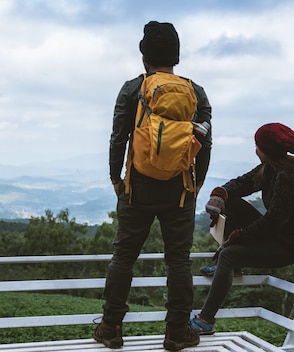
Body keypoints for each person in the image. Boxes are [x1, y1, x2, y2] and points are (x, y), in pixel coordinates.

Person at [94, 21, 212, 351]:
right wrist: (197, 185)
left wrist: (116, 178)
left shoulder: (133, 89)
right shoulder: (195, 91)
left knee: (124, 257)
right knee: (178, 261)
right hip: (180, 191)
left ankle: (111, 327)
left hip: (137, 188)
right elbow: (206, 142)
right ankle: (176, 332)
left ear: (144, 56)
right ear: (176, 55)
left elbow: (119, 137)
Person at [189, 122, 294, 335]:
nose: (255, 149)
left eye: (257, 145)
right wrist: (219, 195)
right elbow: (240, 185)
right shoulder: (270, 167)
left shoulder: (287, 176)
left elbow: (273, 221)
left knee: (229, 254)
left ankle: (205, 320)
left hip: (289, 246)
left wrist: (239, 237)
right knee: (231, 201)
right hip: (277, 235)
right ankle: (231, 267)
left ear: (266, 150)